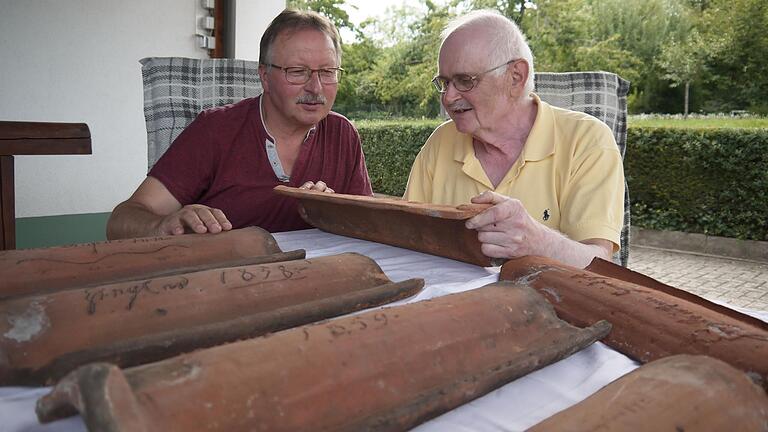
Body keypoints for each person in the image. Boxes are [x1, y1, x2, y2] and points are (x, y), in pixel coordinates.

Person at [107, 9, 372, 240]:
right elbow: (121, 222)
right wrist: (163, 225)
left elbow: (371, 225)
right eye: (297, 72)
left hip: (320, 281)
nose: (315, 88)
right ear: (265, 77)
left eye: (327, 72)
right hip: (224, 284)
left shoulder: (342, 134)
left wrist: (333, 212)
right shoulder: (215, 130)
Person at [404, 10, 624, 268]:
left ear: (516, 77)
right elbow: (410, 241)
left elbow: (598, 262)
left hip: (546, 304)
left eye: (465, 80)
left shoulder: (586, 140)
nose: (448, 97)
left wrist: (538, 241)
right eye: (444, 82)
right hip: (453, 303)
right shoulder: (440, 143)